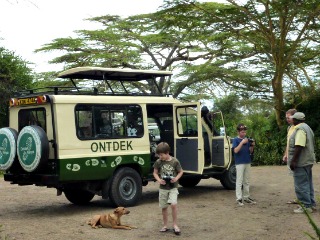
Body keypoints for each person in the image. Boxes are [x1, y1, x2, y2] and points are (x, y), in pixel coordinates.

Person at [288, 112, 316, 213]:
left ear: (296, 120)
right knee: (308, 183)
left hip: (301, 161)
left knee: (301, 184)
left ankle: (306, 206)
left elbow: (299, 146)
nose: (292, 121)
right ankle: (311, 204)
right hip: (308, 160)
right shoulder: (307, 127)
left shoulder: (300, 129)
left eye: (293, 119)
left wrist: (294, 161)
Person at [153, 142, 183, 235]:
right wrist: (159, 180)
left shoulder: (175, 161)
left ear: (167, 153)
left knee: (173, 204)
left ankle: (175, 225)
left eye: (161, 155)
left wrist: (176, 179)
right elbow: (155, 173)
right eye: (159, 155)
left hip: (173, 187)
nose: (160, 157)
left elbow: (181, 171)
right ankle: (165, 225)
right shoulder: (158, 162)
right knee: (164, 207)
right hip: (163, 188)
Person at [232, 124, 256, 206]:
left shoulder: (247, 140)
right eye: (242, 132)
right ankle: (239, 198)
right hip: (239, 163)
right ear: (238, 132)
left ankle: (246, 197)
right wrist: (242, 142)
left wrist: (252, 145)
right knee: (239, 181)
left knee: (246, 181)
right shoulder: (236, 140)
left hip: (247, 161)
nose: (244, 133)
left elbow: (250, 151)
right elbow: (235, 150)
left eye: (245, 132)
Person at [282, 108, 298, 204]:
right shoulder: (289, 128)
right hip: (290, 157)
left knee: (299, 178)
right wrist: (285, 154)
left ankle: (301, 199)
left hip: (296, 158)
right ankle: (298, 197)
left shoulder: (298, 128)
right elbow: (288, 143)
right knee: (295, 178)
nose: (287, 119)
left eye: (289, 117)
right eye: (286, 117)